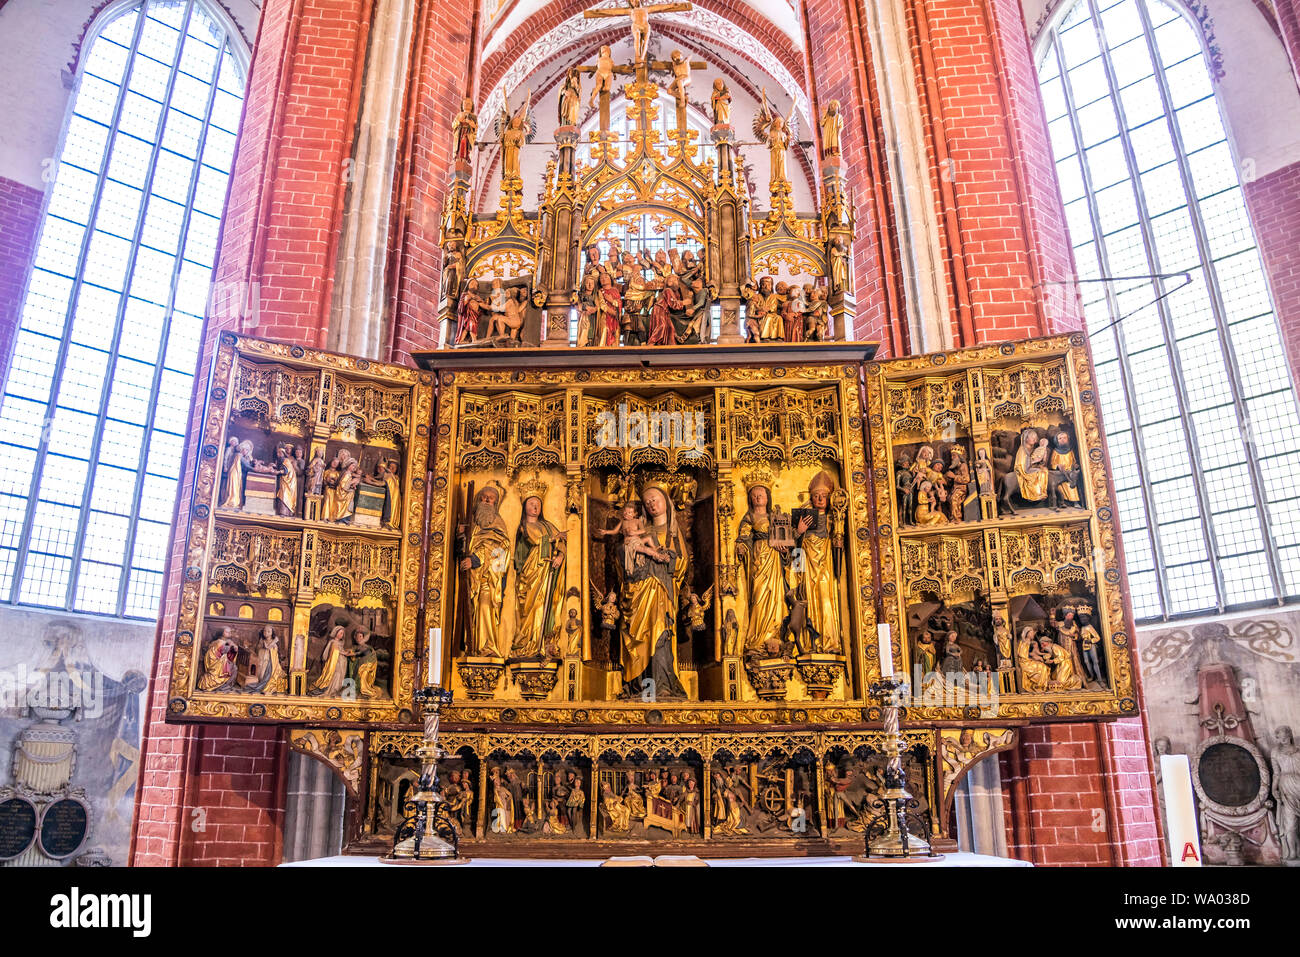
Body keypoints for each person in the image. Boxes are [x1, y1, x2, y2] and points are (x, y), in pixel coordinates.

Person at [735, 480, 790, 654]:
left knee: (776, 597)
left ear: (767, 497)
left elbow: (786, 540)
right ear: (751, 499)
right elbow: (743, 537)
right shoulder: (750, 518)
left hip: (774, 559)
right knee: (759, 597)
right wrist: (741, 547)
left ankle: (774, 634)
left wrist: (784, 550)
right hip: (758, 558)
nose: (758, 497)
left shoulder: (776, 516)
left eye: (761, 494)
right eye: (754, 495)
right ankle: (757, 637)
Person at [511, 490, 567, 659]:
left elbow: (562, 542)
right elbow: (535, 539)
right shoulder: (523, 526)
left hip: (548, 572)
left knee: (545, 606)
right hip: (531, 574)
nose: (535, 506)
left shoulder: (548, 525)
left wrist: (560, 556)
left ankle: (543, 644)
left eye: (538, 504)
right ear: (524, 506)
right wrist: (553, 538)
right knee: (531, 606)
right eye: (531, 503)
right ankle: (527, 643)